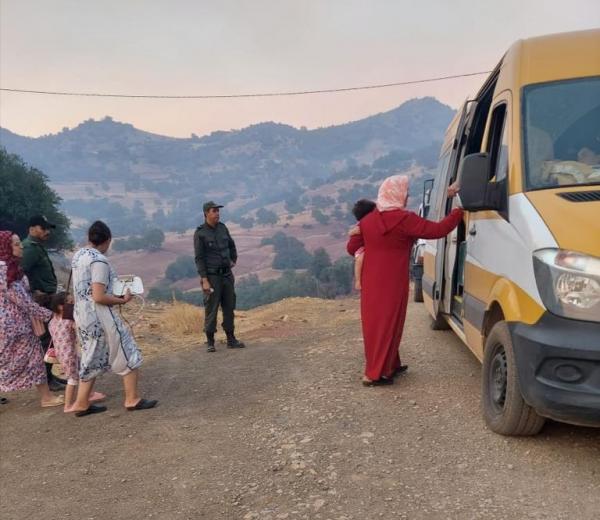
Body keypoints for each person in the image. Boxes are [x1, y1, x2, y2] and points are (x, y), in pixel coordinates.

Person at [346, 175, 463, 386]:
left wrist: (362, 237)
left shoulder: (367, 221)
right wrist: (458, 212)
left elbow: (351, 248)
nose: (407, 196)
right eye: (405, 192)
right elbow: (438, 230)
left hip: (371, 280)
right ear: (397, 194)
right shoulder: (405, 219)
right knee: (392, 320)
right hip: (393, 280)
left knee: (377, 324)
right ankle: (374, 374)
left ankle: (389, 364)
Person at [69, 221, 157, 417]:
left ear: (89, 237)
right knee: (128, 352)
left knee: (91, 356)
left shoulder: (79, 256)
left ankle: (82, 404)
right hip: (101, 317)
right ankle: (132, 399)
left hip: (83, 316)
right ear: (107, 240)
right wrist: (122, 300)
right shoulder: (99, 261)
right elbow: (99, 296)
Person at [0, 231, 64, 407]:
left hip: (18, 326)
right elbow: (25, 303)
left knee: (32, 359)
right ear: (5, 247)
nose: (21, 247)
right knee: (16, 361)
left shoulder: (13, 269)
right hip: (12, 328)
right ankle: (47, 398)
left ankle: (46, 397)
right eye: (15, 244)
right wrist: (52, 315)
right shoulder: (4, 271)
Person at [194, 201, 245, 352]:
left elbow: (231, 245)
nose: (217, 213)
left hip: (227, 275)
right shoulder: (200, 233)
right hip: (212, 277)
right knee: (211, 308)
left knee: (229, 307)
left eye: (218, 211)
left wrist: (233, 260)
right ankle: (210, 342)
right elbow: (199, 258)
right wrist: (204, 280)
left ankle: (231, 339)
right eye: (214, 211)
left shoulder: (223, 228)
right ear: (206, 214)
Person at [21, 215, 64, 391]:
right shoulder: (30, 248)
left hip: (47, 299)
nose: (47, 232)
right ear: (32, 228)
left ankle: (49, 375)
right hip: (41, 301)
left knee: (51, 337)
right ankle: (46, 379)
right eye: (43, 228)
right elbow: (19, 273)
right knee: (46, 339)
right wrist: (32, 292)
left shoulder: (37, 247)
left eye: (48, 228)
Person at [48, 292, 106, 412]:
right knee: (72, 379)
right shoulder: (69, 321)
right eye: (70, 303)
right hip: (70, 355)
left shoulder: (53, 320)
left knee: (82, 372)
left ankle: (89, 394)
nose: (73, 304)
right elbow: (81, 330)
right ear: (61, 306)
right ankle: (68, 406)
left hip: (62, 354)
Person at [349, 199, 376, 291]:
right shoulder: (364, 224)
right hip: (360, 248)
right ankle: (358, 281)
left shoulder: (364, 223)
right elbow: (353, 232)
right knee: (360, 258)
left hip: (364, 246)